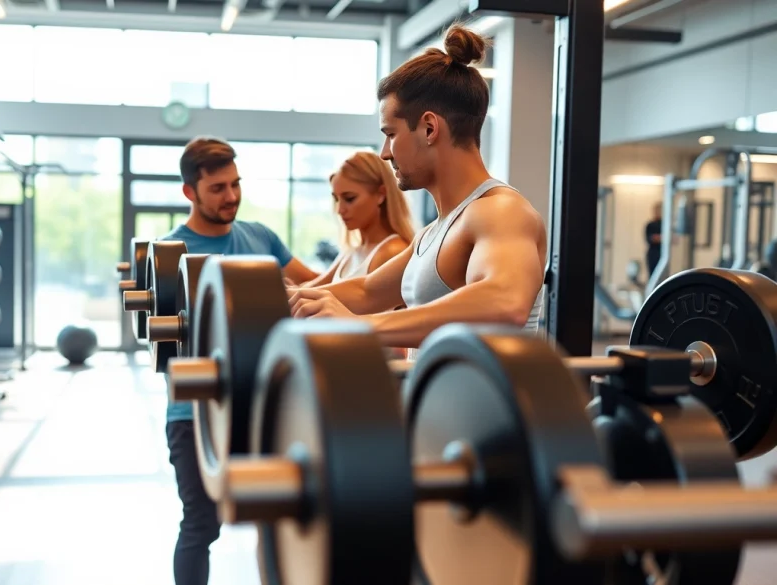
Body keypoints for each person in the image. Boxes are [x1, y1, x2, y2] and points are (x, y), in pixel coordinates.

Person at [288, 24, 546, 355]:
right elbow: (368, 291)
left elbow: (505, 302)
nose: (384, 152)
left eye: (390, 134)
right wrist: (286, 299)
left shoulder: (499, 211)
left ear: (428, 128)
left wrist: (358, 326)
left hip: (487, 406)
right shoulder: (431, 234)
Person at [159, 136, 318, 585]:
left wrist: (378, 263)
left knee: (279, 514)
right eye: (217, 189)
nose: (231, 196)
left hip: (267, 402)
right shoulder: (174, 253)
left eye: (235, 184)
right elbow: (166, 347)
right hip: (195, 413)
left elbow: (320, 287)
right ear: (190, 192)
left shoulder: (260, 237)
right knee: (201, 524)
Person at [298, 151, 415, 288]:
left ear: (380, 194)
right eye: (337, 199)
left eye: (349, 199)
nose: (340, 210)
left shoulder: (392, 251)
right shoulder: (352, 251)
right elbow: (313, 289)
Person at [645, 202, 663, 276]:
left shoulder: (665, 224)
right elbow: (650, 239)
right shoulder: (650, 225)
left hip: (662, 253)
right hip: (653, 254)